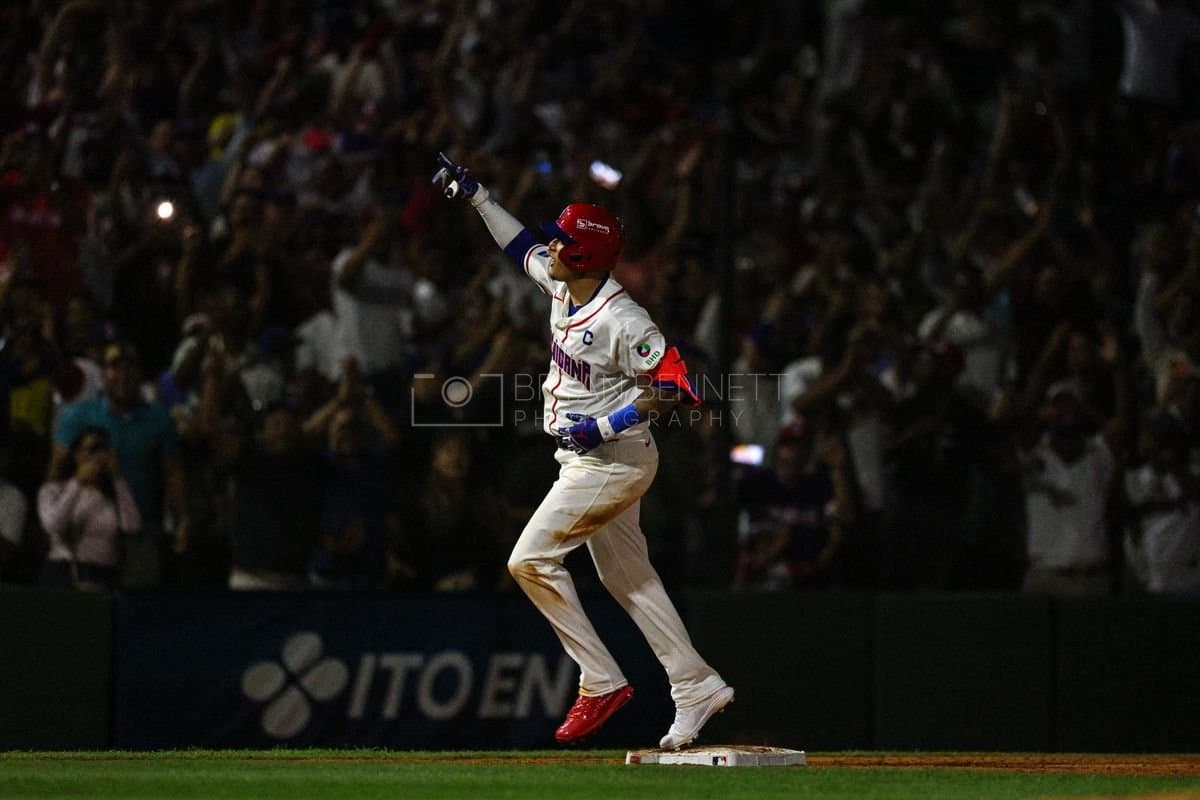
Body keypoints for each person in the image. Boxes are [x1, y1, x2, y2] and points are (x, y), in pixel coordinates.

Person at [433, 153, 733, 750]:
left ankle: (599, 679)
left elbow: (677, 388)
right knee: (630, 579)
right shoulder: (563, 281)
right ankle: (695, 684)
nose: (553, 248)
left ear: (586, 256)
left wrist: (606, 424)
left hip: (611, 461)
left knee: (530, 561)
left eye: (564, 241)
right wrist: (477, 196)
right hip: (589, 459)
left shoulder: (624, 318)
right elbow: (519, 246)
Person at [51, 342, 188, 587]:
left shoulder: (158, 419)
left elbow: (173, 473)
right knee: (89, 609)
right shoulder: (80, 415)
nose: (123, 375)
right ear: (103, 374)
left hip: (140, 535)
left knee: (139, 609)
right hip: (88, 534)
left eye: (130, 367)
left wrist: (183, 519)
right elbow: (56, 469)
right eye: (115, 367)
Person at [38, 426, 141, 590]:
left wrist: (117, 476)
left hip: (105, 574)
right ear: (76, 454)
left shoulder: (113, 495)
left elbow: (132, 527)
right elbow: (54, 525)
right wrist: (77, 483)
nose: (93, 456)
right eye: (89, 449)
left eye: (99, 449)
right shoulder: (54, 490)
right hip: (65, 573)